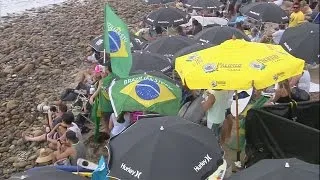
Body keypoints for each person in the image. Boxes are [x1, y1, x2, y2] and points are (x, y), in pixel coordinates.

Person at [89, 60, 116, 137]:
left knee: (106, 121)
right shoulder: (117, 77)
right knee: (114, 122)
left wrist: (92, 97)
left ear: (107, 69)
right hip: (114, 105)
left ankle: (109, 134)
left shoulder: (103, 81)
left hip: (104, 106)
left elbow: (98, 91)